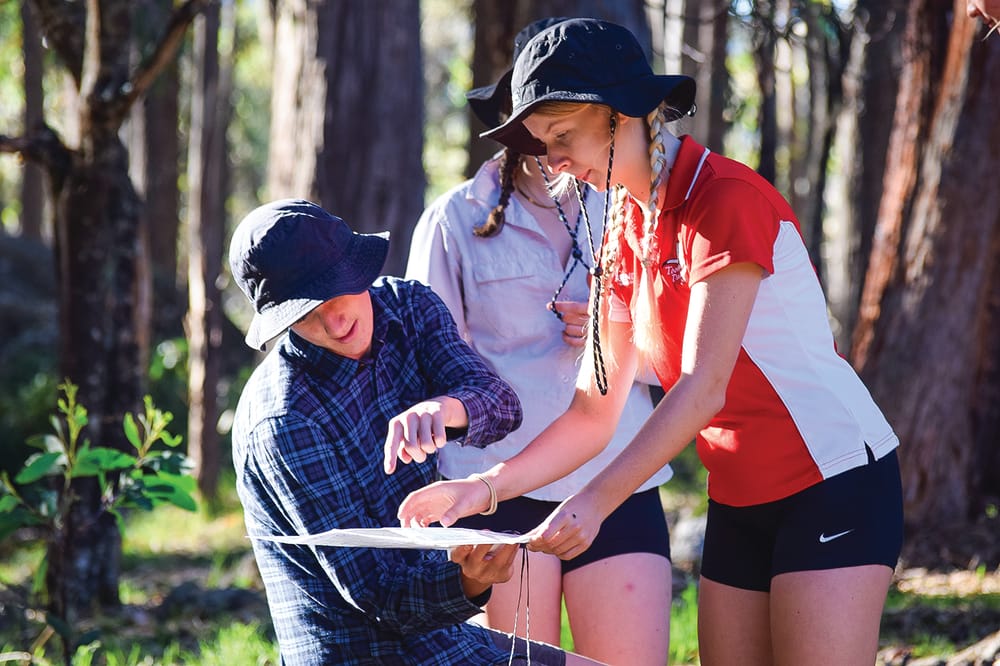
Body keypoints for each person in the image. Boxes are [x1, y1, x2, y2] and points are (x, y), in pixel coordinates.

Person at [396, 18, 904, 666]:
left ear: (622, 115)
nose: (552, 161)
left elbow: (702, 388)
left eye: (562, 136)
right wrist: (483, 489)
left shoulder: (724, 199)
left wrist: (594, 501)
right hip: (738, 495)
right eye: (542, 143)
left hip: (833, 478)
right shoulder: (620, 227)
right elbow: (593, 411)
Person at [228, 198, 604, 665]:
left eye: (335, 292)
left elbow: (502, 405)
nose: (334, 322)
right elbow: (376, 592)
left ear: (356, 270)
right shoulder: (284, 422)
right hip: (359, 653)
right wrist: (469, 579)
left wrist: (447, 408)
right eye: (306, 313)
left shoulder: (406, 308)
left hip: (446, 635)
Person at [403, 17, 673, 666]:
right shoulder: (453, 221)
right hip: (494, 485)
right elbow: (431, 363)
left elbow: (687, 358)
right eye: (529, 122)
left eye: (558, 124)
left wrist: (620, 340)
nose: (546, 141)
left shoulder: (627, 202)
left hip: (617, 476)